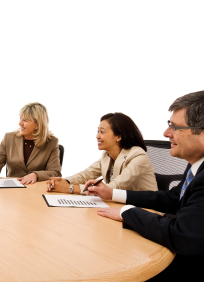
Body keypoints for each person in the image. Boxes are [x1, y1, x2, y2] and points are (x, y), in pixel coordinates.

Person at [87, 91, 204, 280]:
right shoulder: (196, 165)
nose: (166, 133)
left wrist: (128, 212)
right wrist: (114, 195)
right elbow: (173, 198)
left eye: (175, 127)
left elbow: (183, 236)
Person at [46, 113, 158, 193]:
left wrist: (69, 188)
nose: (97, 136)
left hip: (147, 212)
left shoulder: (138, 156)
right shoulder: (107, 155)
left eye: (102, 132)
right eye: (98, 131)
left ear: (118, 136)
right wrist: (64, 181)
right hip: (120, 207)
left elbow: (113, 188)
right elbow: (87, 174)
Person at [0, 102, 61, 184]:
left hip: (36, 189)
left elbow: (55, 172)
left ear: (38, 124)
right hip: (12, 188)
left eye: (25, 120)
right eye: (20, 118)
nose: (20, 123)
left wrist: (36, 175)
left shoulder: (52, 142)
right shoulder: (9, 138)